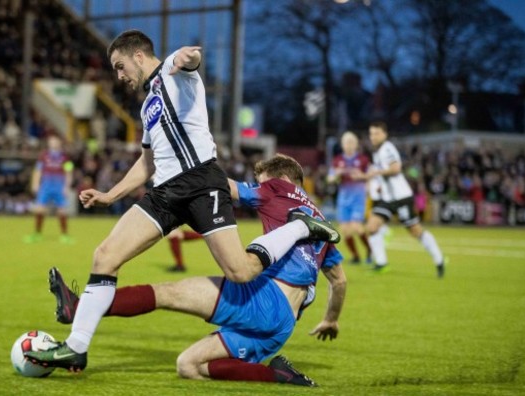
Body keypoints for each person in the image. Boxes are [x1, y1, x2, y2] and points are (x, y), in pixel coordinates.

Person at [23, 30, 340, 372]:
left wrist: (185, 58)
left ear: (139, 56)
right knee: (105, 255)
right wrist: (109, 194)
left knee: (240, 271)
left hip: (202, 183)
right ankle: (76, 348)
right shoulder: (148, 106)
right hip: (165, 193)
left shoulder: (178, 76)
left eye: (120, 66)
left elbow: (189, 60)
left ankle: (297, 228)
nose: (119, 75)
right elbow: (147, 162)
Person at [38, 154, 346, 387]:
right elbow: (339, 282)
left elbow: (220, 186)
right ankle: (277, 375)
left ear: (280, 179)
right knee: (189, 365)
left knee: (165, 293)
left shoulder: (277, 189)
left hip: (261, 300)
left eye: (262, 181)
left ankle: (79, 308)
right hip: (281, 326)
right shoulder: (324, 227)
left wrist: (176, 166)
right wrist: (330, 319)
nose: (259, 187)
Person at [358, 121, 445, 277]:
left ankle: (439, 259)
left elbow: (396, 168)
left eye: (377, 133)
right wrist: (364, 177)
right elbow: (379, 173)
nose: (373, 137)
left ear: (384, 134)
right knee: (371, 227)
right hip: (387, 199)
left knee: (415, 231)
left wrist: (376, 174)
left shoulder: (387, 148)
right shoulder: (377, 152)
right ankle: (381, 263)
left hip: (401, 198)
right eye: (371, 133)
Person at [327, 131, 372, 264]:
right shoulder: (337, 161)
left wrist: (362, 177)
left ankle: (370, 250)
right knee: (345, 231)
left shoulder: (363, 160)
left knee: (357, 227)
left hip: (358, 198)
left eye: (352, 142)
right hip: (343, 199)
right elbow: (329, 179)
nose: (349, 145)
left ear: (356, 144)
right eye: (347, 142)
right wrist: (336, 175)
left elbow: (370, 175)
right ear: (342, 144)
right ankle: (356, 256)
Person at [25, 135, 74, 244]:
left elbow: (69, 172)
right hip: (46, 186)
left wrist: (67, 186)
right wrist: (35, 183)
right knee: (39, 209)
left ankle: (65, 235)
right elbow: (38, 170)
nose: (53, 143)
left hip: (59, 186)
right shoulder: (43, 156)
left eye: (55, 141)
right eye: (51, 141)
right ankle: (37, 234)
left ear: (59, 143)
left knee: (62, 210)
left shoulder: (65, 157)